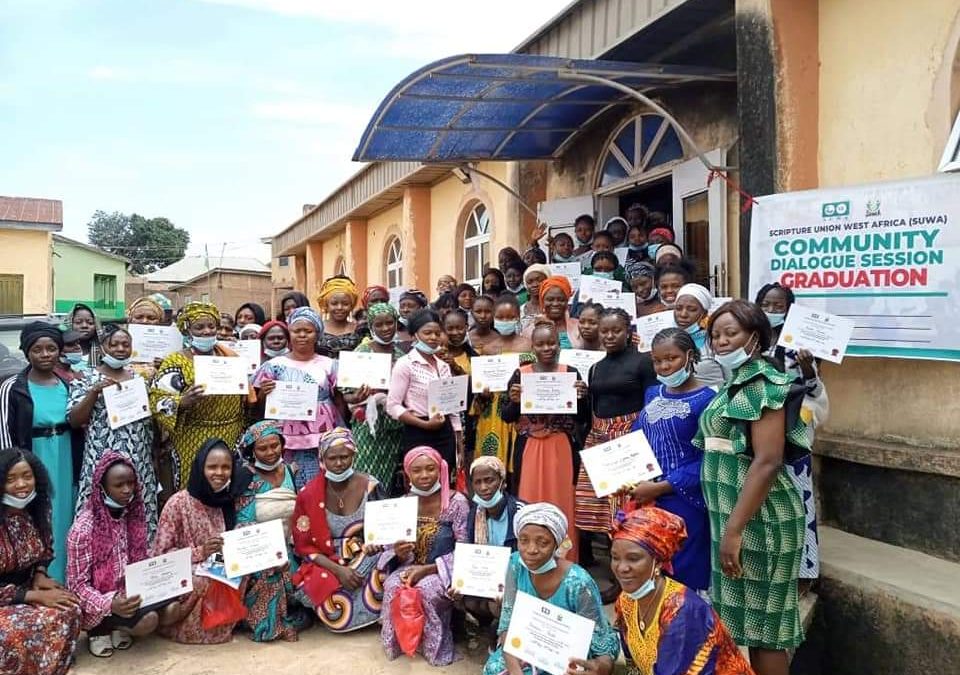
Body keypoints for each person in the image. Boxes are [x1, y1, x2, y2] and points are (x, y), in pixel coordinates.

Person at [695, 300, 807, 675]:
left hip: (761, 522)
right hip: (735, 519)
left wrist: (734, 530)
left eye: (732, 333)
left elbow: (768, 460)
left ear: (755, 338)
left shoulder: (763, 382)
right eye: (715, 335)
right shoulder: (733, 384)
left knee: (766, 631)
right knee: (746, 626)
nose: (721, 342)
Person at [607, 507, 754, 675]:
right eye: (615, 557)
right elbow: (634, 667)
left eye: (633, 558)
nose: (621, 568)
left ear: (659, 561)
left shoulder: (681, 611)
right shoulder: (626, 601)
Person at [482, 503, 620, 675]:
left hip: (566, 656)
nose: (531, 550)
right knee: (494, 669)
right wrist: (514, 667)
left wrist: (602, 667)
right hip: (526, 646)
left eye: (543, 543)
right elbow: (506, 623)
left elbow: (600, 642)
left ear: (557, 544)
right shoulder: (515, 564)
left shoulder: (578, 582)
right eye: (523, 540)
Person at [629, 328, 716, 593]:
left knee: (683, 575)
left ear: (689, 356)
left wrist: (660, 487)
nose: (665, 366)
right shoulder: (653, 394)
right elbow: (638, 437)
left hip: (685, 500)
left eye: (672, 358)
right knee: (651, 570)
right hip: (647, 497)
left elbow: (708, 459)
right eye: (658, 361)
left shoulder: (709, 400)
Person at [576, 308, 656, 586]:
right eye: (604, 331)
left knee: (625, 506)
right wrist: (582, 396)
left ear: (628, 331)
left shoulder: (644, 363)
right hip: (599, 437)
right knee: (598, 510)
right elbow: (594, 406)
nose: (609, 336)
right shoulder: (595, 367)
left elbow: (652, 403)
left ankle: (633, 574)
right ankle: (613, 571)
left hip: (630, 439)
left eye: (616, 330)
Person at [66, 452, 174, 657]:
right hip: (101, 603)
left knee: (173, 609)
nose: (127, 490)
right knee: (148, 621)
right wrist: (110, 604)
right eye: (118, 485)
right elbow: (76, 587)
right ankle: (99, 629)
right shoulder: (82, 530)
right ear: (102, 488)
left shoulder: (133, 516)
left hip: (130, 594)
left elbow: (142, 561)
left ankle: (119, 627)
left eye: (131, 483)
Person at [755, 283, 826, 584]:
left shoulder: (801, 345)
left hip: (792, 432)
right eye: (766, 305)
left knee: (798, 498)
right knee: (763, 499)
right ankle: (769, 567)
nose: (771, 311)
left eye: (778, 306)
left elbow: (814, 390)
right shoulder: (750, 339)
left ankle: (804, 573)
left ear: (790, 309)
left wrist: (809, 369)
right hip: (757, 431)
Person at [503, 318, 588, 558]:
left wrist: (582, 397)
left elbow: (582, 417)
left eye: (551, 343)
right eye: (541, 344)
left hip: (560, 447)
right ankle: (531, 559)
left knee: (563, 503)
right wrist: (514, 401)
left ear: (559, 345)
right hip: (530, 448)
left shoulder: (570, 372)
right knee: (529, 501)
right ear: (533, 348)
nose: (547, 348)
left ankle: (565, 560)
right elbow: (507, 416)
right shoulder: (521, 374)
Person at [378, 447, 469, 666]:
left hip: (444, 569)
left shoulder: (456, 503)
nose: (424, 475)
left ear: (441, 470)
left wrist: (428, 569)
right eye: (417, 470)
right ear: (408, 473)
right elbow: (388, 546)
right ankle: (401, 642)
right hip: (410, 565)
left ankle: (434, 647)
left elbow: (466, 548)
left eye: (431, 469)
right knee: (392, 585)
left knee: (425, 590)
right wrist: (397, 553)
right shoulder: (403, 502)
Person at [0, 322, 77, 582]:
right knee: (40, 515)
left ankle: (68, 581)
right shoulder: (12, 387)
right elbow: (5, 436)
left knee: (65, 516)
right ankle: (42, 581)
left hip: (65, 457)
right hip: (33, 461)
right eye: (37, 349)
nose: (45, 354)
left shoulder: (69, 385)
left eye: (51, 348)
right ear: (26, 352)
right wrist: (12, 476)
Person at [68, 325, 159, 540]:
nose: (120, 349)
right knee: (99, 512)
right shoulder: (86, 378)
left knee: (139, 512)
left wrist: (154, 455)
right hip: (101, 458)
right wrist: (94, 392)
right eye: (114, 344)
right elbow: (74, 420)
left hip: (138, 457)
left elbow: (151, 420)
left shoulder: (141, 379)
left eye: (125, 344)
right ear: (102, 348)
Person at [292, 427, 386, 633]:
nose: (338, 463)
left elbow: (386, 529)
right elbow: (304, 546)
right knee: (324, 598)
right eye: (331, 458)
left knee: (386, 567)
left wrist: (374, 545)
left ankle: (373, 609)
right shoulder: (308, 495)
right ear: (322, 458)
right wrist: (339, 571)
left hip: (366, 555)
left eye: (344, 456)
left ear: (354, 454)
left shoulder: (371, 486)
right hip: (328, 558)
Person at [152, 439, 242, 644]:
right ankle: (184, 628)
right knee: (202, 579)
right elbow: (160, 555)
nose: (219, 473)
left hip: (219, 563)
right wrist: (200, 552)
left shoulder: (229, 500)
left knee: (237, 570)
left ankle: (222, 623)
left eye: (226, 467)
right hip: (185, 569)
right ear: (200, 468)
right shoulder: (178, 503)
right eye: (212, 467)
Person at [0, 448, 81, 674]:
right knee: (13, 630)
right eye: (11, 479)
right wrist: (35, 596)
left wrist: (40, 575)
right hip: (5, 596)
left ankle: (49, 665)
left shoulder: (37, 509)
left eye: (27, 476)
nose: (21, 485)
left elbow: (45, 550)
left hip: (26, 587)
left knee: (69, 606)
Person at [149, 302, 246, 490]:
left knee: (226, 489)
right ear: (188, 330)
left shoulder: (231, 359)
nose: (206, 331)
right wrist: (181, 402)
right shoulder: (175, 361)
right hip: (191, 437)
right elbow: (155, 399)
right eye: (199, 327)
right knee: (193, 488)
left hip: (229, 434)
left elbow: (245, 400)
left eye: (211, 326)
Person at [253, 307, 344, 491]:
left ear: (317, 334)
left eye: (308, 331)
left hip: (323, 432)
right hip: (287, 435)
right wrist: (263, 392)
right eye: (296, 331)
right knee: (291, 484)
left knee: (322, 486)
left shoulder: (329, 364)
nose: (302, 335)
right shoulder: (274, 365)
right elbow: (257, 407)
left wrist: (340, 427)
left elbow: (340, 399)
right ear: (289, 333)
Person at [234, 421, 305, 642]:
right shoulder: (247, 477)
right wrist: (270, 551)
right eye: (262, 448)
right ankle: (270, 624)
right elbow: (243, 522)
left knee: (307, 573)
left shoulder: (291, 471)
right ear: (252, 450)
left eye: (275, 445)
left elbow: (301, 512)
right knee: (272, 572)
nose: (270, 452)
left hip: (290, 544)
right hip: (257, 546)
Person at [386, 309, 463, 485]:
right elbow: (393, 406)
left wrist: (458, 439)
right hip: (418, 430)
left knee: (444, 482)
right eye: (427, 333)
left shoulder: (443, 365)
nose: (433, 337)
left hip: (445, 433)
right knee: (421, 482)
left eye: (437, 333)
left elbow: (452, 406)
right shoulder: (405, 364)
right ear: (414, 336)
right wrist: (425, 424)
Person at [456, 456, 525, 649]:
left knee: (498, 603)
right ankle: (490, 628)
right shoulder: (475, 513)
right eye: (478, 482)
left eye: (489, 480)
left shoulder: (520, 512)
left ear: (502, 482)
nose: (484, 488)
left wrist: (509, 586)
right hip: (488, 579)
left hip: (517, 579)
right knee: (466, 599)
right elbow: (470, 552)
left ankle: (509, 640)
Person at [348, 302, 406, 490]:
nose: (385, 328)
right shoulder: (361, 353)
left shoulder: (402, 355)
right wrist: (357, 397)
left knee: (390, 478)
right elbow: (346, 395)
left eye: (389, 323)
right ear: (371, 326)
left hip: (395, 427)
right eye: (378, 325)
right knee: (367, 477)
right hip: (367, 427)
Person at [673, 284, 725, 388]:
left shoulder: (715, 341)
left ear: (704, 314)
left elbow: (731, 378)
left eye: (691, 309)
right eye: (678, 308)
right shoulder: (668, 338)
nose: (683, 314)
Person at [526, 275, 581, 349]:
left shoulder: (579, 326)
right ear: (542, 302)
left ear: (567, 301)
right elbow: (526, 357)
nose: (555, 304)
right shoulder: (531, 330)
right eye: (550, 299)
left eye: (561, 299)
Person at [317, 276, 362, 358]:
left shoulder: (359, 330)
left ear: (351, 305)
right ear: (326, 305)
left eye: (345, 304)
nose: (339, 307)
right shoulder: (317, 329)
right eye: (334, 303)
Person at [67, 303, 100, 367]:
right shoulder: (60, 353)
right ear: (70, 324)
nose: (84, 326)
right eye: (78, 322)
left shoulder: (104, 353)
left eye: (90, 323)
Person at [519, 263, 550, 330]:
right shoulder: (520, 311)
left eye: (539, 280)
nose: (535, 285)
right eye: (530, 282)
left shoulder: (555, 307)